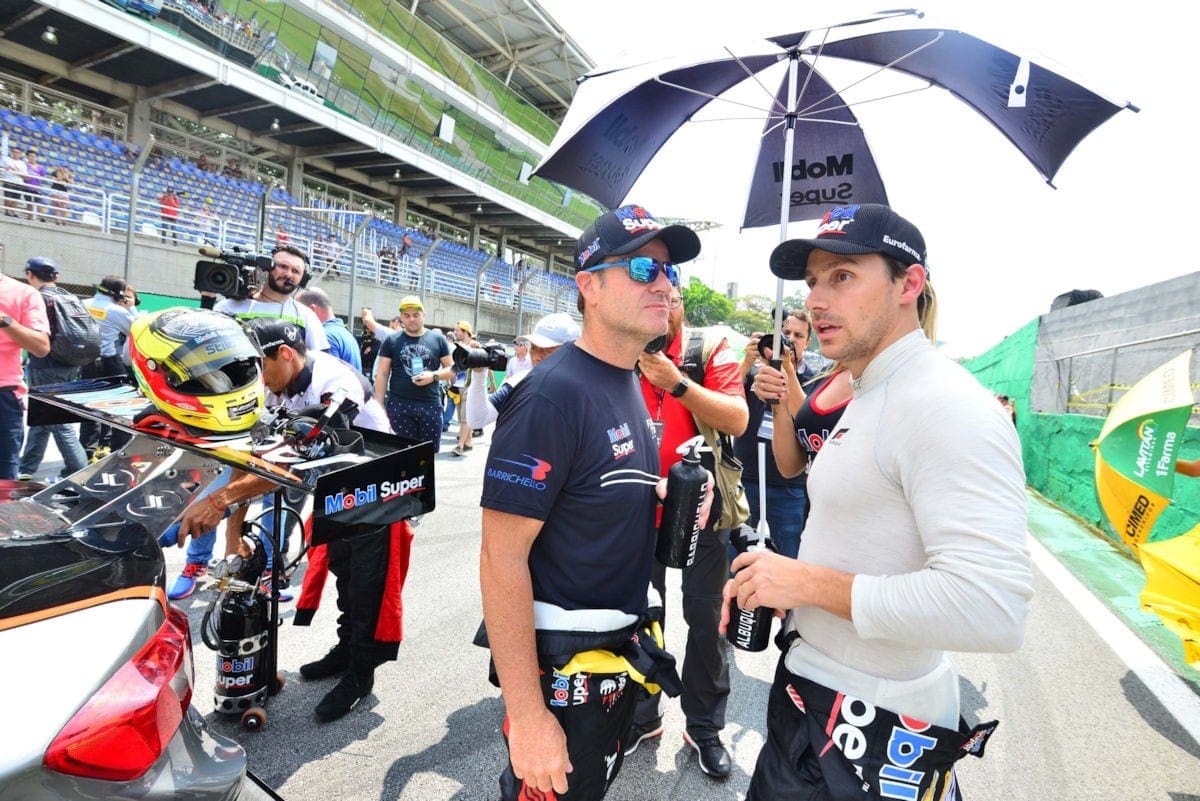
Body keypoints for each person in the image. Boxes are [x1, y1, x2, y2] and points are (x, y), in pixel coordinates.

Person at [724, 203, 1033, 800]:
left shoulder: (947, 406)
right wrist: (777, 588)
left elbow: (993, 607)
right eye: (812, 281)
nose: (816, 300)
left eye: (842, 276)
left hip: (869, 727)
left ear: (908, 284)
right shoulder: (866, 390)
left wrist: (806, 583)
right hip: (811, 693)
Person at [479, 203, 704, 801]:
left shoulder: (628, 377)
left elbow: (592, 492)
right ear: (590, 287)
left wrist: (664, 497)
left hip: (613, 657)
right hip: (562, 671)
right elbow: (501, 558)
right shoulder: (551, 396)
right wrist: (528, 716)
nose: (663, 284)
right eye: (642, 268)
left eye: (668, 271)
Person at [172, 317, 409, 722]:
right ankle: (345, 649)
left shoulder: (335, 383)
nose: (255, 379)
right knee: (344, 573)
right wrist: (232, 534)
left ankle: (360, 674)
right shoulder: (270, 385)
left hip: (377, 487)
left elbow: (299, 460)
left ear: (284, 354)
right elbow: (250, 455)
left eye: (257, 366)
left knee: (369, 584)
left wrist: (219, 502)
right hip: (336, 487)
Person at [626, 284, 748, 779]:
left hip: (704, 509)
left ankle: (703, 726)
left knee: (707, 620)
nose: (659, 312)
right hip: (635, 512)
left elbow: (737, 418)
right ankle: (641, 715)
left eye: (669, 302)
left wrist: (676, 382)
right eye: (649, 303)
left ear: (678, 305)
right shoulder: (622, 346)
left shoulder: (708, 347)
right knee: (637, 617)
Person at [166, 245, 329, 599]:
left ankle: (268, 570)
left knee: (276, 496)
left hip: (282, 420)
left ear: (303, 279)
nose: (287, 274)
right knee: (212, 488)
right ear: (267, 267)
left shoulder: (305, 316)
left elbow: (317, 366)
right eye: (282, 266)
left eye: (295, 271)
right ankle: (197, 564)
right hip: (227, 418)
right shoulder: (230, 307)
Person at [733, 311, 822, 560]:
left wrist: (788, 371)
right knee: (739, 555)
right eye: (785, 334)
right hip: (746, 476)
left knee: (787, 557)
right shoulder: (757, 372)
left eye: (798, 335)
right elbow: (728, 395)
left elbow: (806, 418)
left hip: (789, 486)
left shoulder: (815, 379)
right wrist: (747, 362)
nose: (790, 340)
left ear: (808, 341)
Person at [17, 258, 88, 481]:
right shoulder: (70, 297)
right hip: (70, 363)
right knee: (42, 417)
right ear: (56, 276)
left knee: (58, 421)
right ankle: (27, 468)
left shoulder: (37, 298)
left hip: (46, 364)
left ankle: (80, 472)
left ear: (30, 275)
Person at [463, 312, 579, 429]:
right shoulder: (519, 381)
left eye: (547, 350)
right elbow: (477, 420)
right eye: (534, 348)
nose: (537, 356)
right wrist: (479, 374)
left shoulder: (583, 395)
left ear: (572, 353)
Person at [373, 295, 452, 451]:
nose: (412, 319)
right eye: (407, 315)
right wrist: (379, 406)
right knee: (400, 454)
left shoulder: (438, 339)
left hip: (430, 405)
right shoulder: (392, 340)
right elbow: (382, 374)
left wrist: (433, 376)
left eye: (416, 315)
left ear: (424, 315)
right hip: (399, 405)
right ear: (401, 317)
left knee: (427, 456)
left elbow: (452, 369)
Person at [0, 261, 50, 479]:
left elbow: (41, 347)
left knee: (3, 481)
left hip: (3, 396)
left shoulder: (23, 293)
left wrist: (4, 320)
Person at [80, 275, 138, 462]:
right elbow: (136, 329)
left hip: (86, 362)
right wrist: (130, 307)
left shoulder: (82, 304)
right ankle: (118, 453)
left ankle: (87, 453)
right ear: (119, 294)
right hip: (110, 362)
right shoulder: (117, 311)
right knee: (120, 408)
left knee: (89, 408)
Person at [297, 286, 361, 372]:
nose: (297, 318)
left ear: (312, 310)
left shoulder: (324, 337)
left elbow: (325, 375)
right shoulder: (344, 333)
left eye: (298, 312)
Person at [449, 320, 475, 456]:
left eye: (457, 330)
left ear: (465, 331)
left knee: (465, 417)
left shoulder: (474, 345)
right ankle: (468, 442)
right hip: (459, 385)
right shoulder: (459, 346)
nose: (455, 332)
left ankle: (460, 445)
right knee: (461, 417)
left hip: (469, 385)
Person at [4, 144, 28, 218]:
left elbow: (25, 177)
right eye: (14, 152)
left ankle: (13, 212)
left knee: (15, 199)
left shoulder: (23, 164)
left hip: (18, 183)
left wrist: (16, 171)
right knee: (8, 198)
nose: (15, 153)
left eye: (17, 152)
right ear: (12, 152)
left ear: (20, 154)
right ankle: (7, 211)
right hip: (8, 181)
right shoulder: (7, 160)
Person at [24, 149, 46, 221]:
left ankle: (42, 218)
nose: (32, 157)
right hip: (27, 186)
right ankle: (29, 216)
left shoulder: (40, 167)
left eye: (34, 156)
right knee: (29, 202)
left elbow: (43, 177)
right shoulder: (25, 165)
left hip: (36, 187)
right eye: (30, 156)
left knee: (38, 202)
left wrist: (38, 177)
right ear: (27, 157)